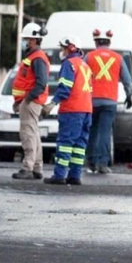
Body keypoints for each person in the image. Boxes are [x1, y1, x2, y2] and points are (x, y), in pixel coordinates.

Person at [41, 36, 92, 185]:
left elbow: (65, 88)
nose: (61, 51)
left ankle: (59, 175)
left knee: (65, 142)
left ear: (70, 48)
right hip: (86, 110)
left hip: (72, 110)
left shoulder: (69, 64)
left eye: (63, 48)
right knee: (80, 145)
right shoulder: (85, 66)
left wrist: (52, 103)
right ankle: (75, 175)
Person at [84, 29, 132, 174]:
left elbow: (80, 74)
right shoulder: (118, 58)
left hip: (91, 100)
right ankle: (102, 164)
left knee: (92, 131)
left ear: (96, 42)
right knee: (105, 132)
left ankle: (91, 162)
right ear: (109, 42)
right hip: (110, 101)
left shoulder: (89, 56)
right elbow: (127, 79)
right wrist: (129, 95)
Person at [11, 22, 50, 181]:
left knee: (28, 135)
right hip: (29, 101)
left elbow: (41, 83)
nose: (25, 43)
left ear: (34, 40)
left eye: (27, 39)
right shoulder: (34, 57)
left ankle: (27, 168)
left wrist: (26, 99)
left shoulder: (38, 58)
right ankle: (37, 168)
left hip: (31, 102)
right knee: (34, 135)